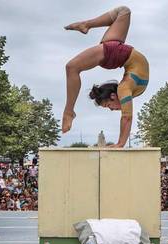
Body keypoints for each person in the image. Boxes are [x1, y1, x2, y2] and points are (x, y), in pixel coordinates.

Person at [62, 6, 149, 148]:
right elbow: (127, 117)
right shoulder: (125, 89)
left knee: (72, 67)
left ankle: (69, 111)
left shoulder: (124, 89)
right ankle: (69, 111)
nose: (112, 109)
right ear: (113, 96)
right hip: (116, 51)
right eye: (109, 106)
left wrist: (120, 143)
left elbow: (127, 117)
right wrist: (120, 143)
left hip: (116, 53)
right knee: (124, 11)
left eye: (108, 106)